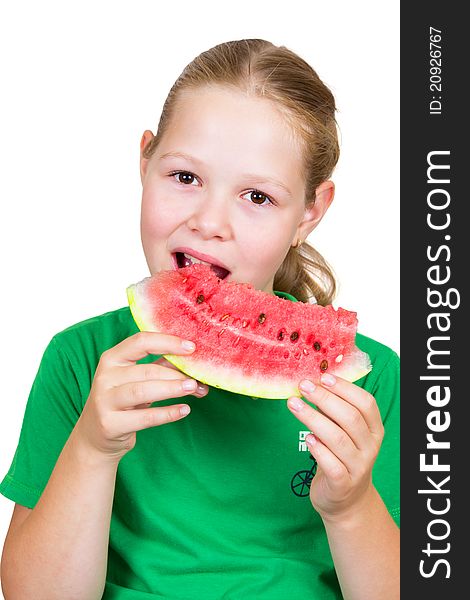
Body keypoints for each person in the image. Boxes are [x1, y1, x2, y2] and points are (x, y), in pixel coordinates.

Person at [0, 39, 399, 599]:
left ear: (310, 211)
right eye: (185, 177)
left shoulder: (368, 382)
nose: (210, 221)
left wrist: (352, 508)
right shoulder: (80, 362)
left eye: (257, 196)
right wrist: (92, 449)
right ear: (145, 161)